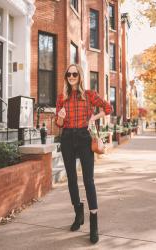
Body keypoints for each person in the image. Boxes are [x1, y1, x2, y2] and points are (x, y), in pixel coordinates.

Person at [55, 64, 112, 244]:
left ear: (79, 76)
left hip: (84, 137)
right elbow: (58, 124)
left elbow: (107, 108)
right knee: (72, 178)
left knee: (88, 180)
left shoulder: (89, 94)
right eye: (68, 74)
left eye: (74, 73)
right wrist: (61, 117)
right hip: (67, 139)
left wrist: (92, 118)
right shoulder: (61, 97)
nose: (71, 76)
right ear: (66, 77)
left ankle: (94, 223)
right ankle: (78, 213)